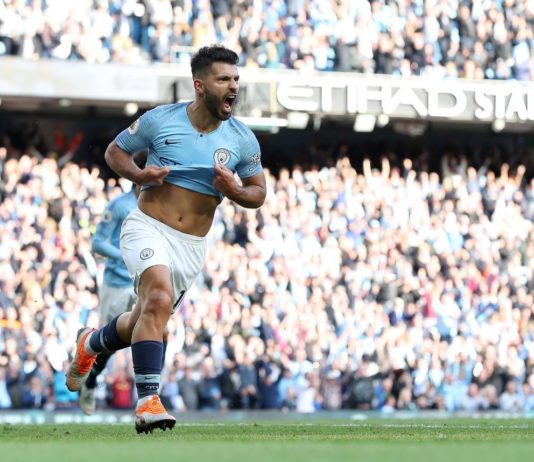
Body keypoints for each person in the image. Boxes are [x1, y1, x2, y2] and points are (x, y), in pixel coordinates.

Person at [66, 44, 266, 434]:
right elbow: (115, 153)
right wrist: (140, 176)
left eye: (236, 79)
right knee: (157, 299)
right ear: (200, 85)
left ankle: (90, 343)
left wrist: (235, 190)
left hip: (190, 246)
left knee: (146, 319)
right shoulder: (161, 120)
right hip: (148, 226)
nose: (233, 86)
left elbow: (258, 193)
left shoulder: (242, 139)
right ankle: (148, 402)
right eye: (223, 79)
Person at [78, 150, 147, 416]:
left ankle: (149, 396)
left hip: (143, 284)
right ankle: (90, 381)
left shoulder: (158, 205)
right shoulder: (119, 206)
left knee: (149, 333)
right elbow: (97, 242)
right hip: (117, 283)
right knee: (110, 342)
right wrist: (123, 255)